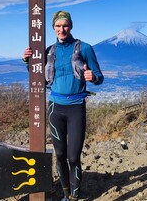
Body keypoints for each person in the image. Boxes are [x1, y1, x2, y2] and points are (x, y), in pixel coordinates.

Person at [23, 11, 104, 201]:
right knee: (59, 154)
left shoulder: (84, 48)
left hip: (76, 108)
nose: (62, 29)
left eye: (65, 25)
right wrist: (28, 60)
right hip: (55, 108)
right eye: (58, 26)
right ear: (53, 28)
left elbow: (99, 76)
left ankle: (75, 197)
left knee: (73, 156)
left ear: (71, 26)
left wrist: (94, 77)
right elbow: (37, 75)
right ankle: (66, 194)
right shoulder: (50, 50)